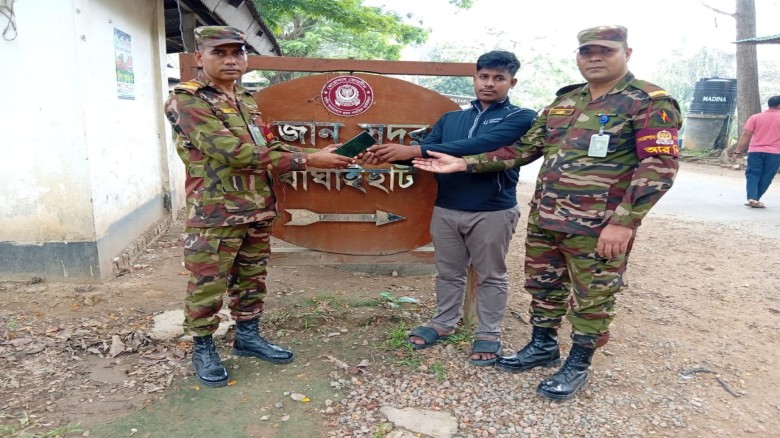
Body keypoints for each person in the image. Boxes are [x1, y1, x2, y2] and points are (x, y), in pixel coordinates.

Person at [413, 25, 681, 400]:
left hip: (599, 225)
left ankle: (578, 363)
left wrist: (623, 222)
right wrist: (465, 164)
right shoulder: (565, 103)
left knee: (593, 295)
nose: (595, 57)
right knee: (544, 286)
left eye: (605, 50)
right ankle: (543, 345)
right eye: (587, 51)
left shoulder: (648, 101)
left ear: (627, 53)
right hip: (547, 218)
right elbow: (521, 150)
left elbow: (659, 166)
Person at [164, 26, 353, 387]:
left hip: (257, 206)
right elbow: (232, 153)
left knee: (251, 279)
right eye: (220, 53)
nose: (231, 60)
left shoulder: (246, 100)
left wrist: (320, 155)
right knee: (208, 282)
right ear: (199, 57)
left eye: (238, 52)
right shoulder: (187, 101)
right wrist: (309, 160)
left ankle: (247, 336)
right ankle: (203, 346)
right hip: (216, 212)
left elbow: (270, 146)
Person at [366, 51, 536, 365]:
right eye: (484, 76)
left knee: (491, 275)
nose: (489, 83)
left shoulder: (521, 118)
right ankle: (444, 323)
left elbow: (482, 145)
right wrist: (387, 153)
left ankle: (489, 332)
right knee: (448, 273)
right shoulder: (451, 119)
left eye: (498, 78)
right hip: (446, 208)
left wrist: (416, 147)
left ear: (512, 82)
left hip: (492, 211)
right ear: (474, 79)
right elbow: (427, 156)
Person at [732, 95, 780, 208]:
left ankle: (752, 198)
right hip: (775, 153)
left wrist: (737, 151)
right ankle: (755, 198)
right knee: (767, 176)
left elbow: (746, 134)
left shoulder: (755, 117)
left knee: (753, 174)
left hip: (755, 151)